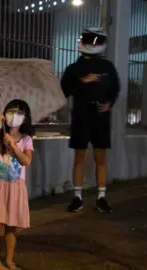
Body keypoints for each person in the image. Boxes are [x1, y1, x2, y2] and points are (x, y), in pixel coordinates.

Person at [61, 27, 120, 213]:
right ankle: (77, 197)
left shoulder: (107, 67)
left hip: (101, 116)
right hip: (81, 115)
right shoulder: (74, 68)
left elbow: (115, 88)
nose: (91, 43)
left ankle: (101, 197)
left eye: (95, 39)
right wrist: (82, 81)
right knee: (79, 157)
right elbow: (64, 90)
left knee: (100, 157)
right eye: (89, 39)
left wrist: (109, 103)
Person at [0, 99, 34, 270]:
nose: (14, 115)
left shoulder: (26, 139)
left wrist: (14, 146)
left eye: (19, 112)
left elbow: (26, 161)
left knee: (12, 226)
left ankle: (9, 260)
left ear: (25, 118)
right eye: (10, 111)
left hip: (16, 186)